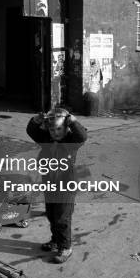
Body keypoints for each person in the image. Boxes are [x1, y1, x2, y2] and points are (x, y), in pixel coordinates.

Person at [26, 106, 87, 263]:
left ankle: (65, 247)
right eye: (52, 129)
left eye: (59, 129)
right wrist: (36, 121)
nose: (55, 133)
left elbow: (82, 136)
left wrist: (72, 121)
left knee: (62, 218)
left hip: (66, 186)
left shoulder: (71, 141)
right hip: (50, 184)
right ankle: (55, 241)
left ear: (66, 128)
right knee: (52, 214)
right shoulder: (46, 139)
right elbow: (32, 131)